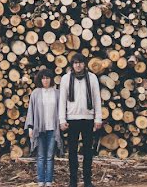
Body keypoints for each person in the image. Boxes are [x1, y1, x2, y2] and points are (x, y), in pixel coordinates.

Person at [59, 53, 102, 187]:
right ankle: (73, 182)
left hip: (88, 119)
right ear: (72, 65)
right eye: (75, 62)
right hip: (72, 119)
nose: (78, 65)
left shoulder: (92, 78)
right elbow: (62, 100)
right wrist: (62, 119)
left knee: (88, 151)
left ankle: (87, 181)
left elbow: (96, 98)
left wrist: (98, 118)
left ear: (85, 64)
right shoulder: (66, 79)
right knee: (72, 152)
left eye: (80, 62)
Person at [25, 68, 63, 187]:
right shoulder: (36, 93)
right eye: (43, 78)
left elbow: (61, 110)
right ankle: (41, 181)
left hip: (53, 129)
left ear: (51, 79)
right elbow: (31, 111)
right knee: (41, 156)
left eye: (47, 78)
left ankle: (49, 181)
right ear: (40, 80)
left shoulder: (57, 93)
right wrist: (30, 127)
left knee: (50, 156)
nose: (45, 80)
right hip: (39, 129)